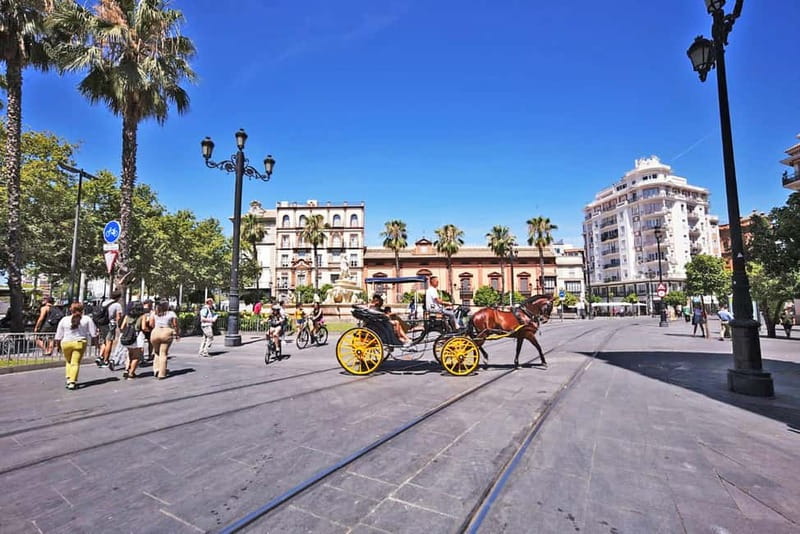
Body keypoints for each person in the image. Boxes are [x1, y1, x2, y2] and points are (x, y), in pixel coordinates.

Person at [54, 302, 98, 390]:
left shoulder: (64, 319)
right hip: (79, 343)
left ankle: (69, 378)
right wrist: (97, 344)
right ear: (82, 310)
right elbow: (94, 334)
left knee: (68, 361)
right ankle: (72, 381)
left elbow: (58, 335)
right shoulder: (87, 319)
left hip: (66, 343)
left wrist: (57, 345)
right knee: (75, 363)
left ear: (71, 309)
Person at [148, 300, 179, 379]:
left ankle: (156, 369)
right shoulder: (171, 313)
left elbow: (151, 324)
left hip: (156, 331)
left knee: (156, 352)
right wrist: (177, 334)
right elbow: (175, 324)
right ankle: (162, 373)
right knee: (163, 353)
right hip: (166, 331)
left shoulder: (154, 313)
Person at [96, 290, 124, 367]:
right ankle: (106, 360)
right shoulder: (117, 305)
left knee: (104, 342)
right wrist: (119, 326)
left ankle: (100, 356)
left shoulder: (105, 302)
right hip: (110, 324)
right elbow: (118, 317)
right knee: (109, 342)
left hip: (102, 324)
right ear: (118, 297)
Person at [121, 302, 145, 379]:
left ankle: (126, 369)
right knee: (136, 356)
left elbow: (122, 327)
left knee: (129, 354)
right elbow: (144, 328)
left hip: (128, 337)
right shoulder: (142, 316)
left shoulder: (127, 316)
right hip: (137, 336)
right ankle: (131, 373)